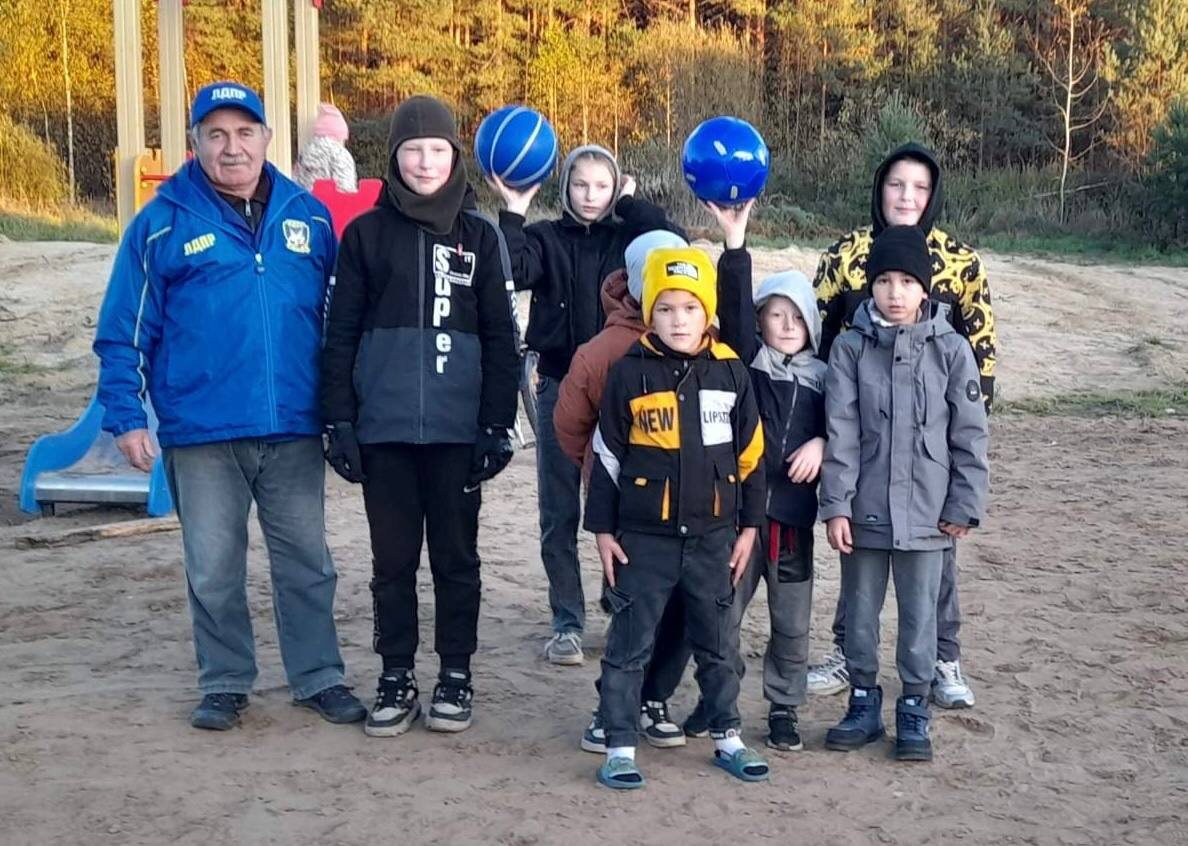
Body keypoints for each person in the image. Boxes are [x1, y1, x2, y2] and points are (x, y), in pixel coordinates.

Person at [93, 81, 365, 731]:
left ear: (268, 139)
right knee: (214, 568)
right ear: (195, 143)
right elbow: (123, 330)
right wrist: (126, 416)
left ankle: (318, 676)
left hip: (293, 425)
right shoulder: (160, 222)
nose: (232, 147)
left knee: (307, 564)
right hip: (202, 431)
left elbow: (343, 322)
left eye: (245, 132)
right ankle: (224, 682)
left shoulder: (309, 217)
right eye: (216, 134)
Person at [320, 95, 520, 738]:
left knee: (457, 560)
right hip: (384, 433)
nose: (425, 162)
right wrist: (339, 421)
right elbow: (340, 333)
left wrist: (496, 425)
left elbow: (502, 338)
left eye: (437, 150)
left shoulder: (481, 236)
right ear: (394, 157)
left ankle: (455, 674)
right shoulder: (364, 236)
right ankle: (396, 675)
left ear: (454, 156)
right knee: (393, 563)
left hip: (459, 434)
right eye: (413, 150)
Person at [809, 142, 997, 709]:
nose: (907, 196)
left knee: (935, 561)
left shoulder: (960, 263)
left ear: (933, 194)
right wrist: (818, 436)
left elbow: (979, 355)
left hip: (929, 453)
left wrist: (959, 473)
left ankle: (942, 658)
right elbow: (818, 348)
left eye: (919, 187)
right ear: (880, 189)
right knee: (860, 560)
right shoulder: (843, 257)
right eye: (896, 184)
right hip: (863, 437)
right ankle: (848, 653)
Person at [584, 246, 769, 789]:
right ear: (650, 313)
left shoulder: (732, 372)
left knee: (718, 643)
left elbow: (752, 459)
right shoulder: (628, 372)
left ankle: (727, 736)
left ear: (707, 312)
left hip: (714, 539)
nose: (678, 320)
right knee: (629, 644)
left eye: (690, 308)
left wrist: (749, 529)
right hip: (643, 541)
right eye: (665, 309)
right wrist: (602, 532)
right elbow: (607, 457)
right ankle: (619, 745)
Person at [491, 145, 683, 666]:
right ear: (565, 188)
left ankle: (618, 604)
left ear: (616, 187)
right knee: (559, 510)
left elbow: (674, 243)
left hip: (624, 391)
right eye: (580, 184)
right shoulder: (545, 238)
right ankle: (567, 622)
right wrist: (513, 211)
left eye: (602, 185)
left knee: (622, 504)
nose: (590, 195)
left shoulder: (629, 239)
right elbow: (510, 270)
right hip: (558, 386)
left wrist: (631, 206)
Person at [553, 229, 694, 753]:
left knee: (682, 610)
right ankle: (612, 710)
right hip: (630, 512)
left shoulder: (706, 342)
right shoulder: (602, 353)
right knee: (634, 613)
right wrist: (600, 475)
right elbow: (570, 427)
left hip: (693, 509)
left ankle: (653, 699)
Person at [709, 200, 827, 753]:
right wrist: (735, 244)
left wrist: (824, 445)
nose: (787, 326)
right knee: (724, 612)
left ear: (812, 326)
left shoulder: (825, 379)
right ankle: (720, 702)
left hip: (793, 526)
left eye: (798, 317)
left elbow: (851, 429)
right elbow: (732, 306)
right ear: (759, 320)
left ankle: (784, 708)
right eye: (776, 314)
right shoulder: (747, 364)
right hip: (741, 519)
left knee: (793, 623)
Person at [293, 102, 359, 192]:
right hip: (330, 201)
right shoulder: (340, 154)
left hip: (306, 200)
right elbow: (346, 190)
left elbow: (295, 181)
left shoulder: (304, 152)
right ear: (339, 135)